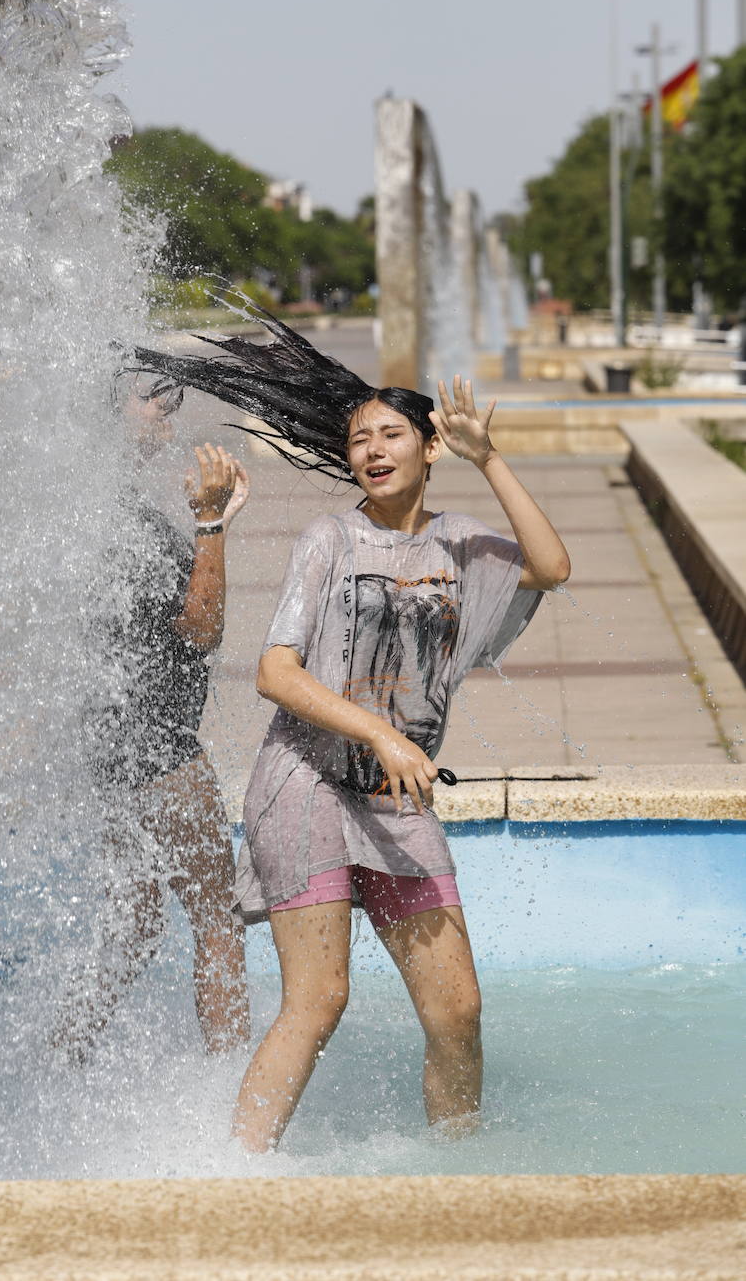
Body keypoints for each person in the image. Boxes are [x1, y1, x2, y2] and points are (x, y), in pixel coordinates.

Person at [124, 295, 570, 1150]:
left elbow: (550, 565)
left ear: (429, 448)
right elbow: (274, 671)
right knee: (319, 998)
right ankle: (234, 1175)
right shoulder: (330, 540)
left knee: (458, 1010)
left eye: (392, 435)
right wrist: (377, 731)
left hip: (395, 801)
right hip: (305, 784)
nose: (372, 449)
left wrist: (493, 459)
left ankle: (457, 1168)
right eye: (361, 438)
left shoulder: (465, 547)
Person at [54, 366, 251, 1061]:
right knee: (219, 919)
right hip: (158, 751)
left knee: (134, 923)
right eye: (150, 403)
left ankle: (61, 1056)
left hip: (105, 748)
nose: (167, 415)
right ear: (107, 414)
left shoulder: (79, 506)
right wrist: (210, 526)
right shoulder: (121, 523)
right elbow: (200, 629)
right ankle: (234, 1100)